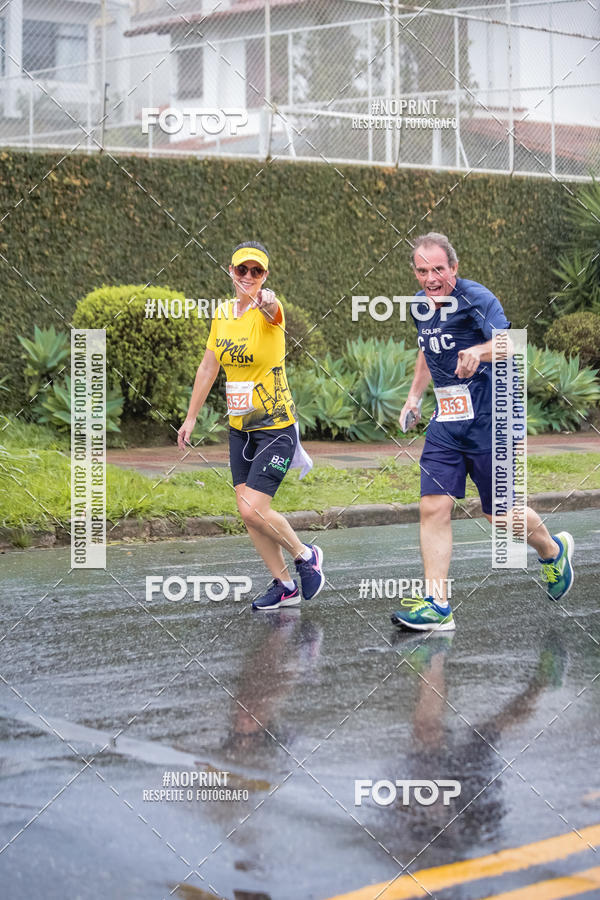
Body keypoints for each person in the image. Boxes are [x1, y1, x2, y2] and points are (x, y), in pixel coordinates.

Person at [391, 232, 574, 632]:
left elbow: (509, 343)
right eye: (422, 271)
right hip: (447, 424)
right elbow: (427, 349)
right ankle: (437, 603)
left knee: (500, 515)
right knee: (434, 506)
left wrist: (479, 350)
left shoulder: (477, 298)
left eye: (438, 269)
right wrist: (414, 398)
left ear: (454, 268)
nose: (430, 278)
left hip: (493, 420)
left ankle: (552, 549)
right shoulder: (421, 306)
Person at [177, 241, 324, 610]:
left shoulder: (270, 311)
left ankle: (306, 556)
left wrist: (269, 301)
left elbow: (274, 309)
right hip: (240, 428)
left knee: (251, 508)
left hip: (275, 426)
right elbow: (209, 367)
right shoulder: (223, 314)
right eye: (242, 270)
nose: (248, 277)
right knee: (248, 514)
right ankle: (285, 585)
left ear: (264, 276)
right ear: (231, 271)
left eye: (256, 271)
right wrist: (191, 417)